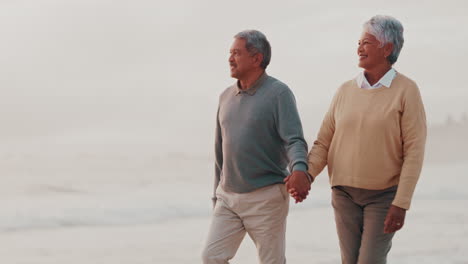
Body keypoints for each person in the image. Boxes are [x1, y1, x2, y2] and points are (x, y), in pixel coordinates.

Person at [286, 15, 427, 263]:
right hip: (344, 195)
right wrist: (306, 175)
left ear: (388, 48)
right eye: (359, 42)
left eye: (367, 42)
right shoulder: (344, 91)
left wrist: (401, 202)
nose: (359, 48)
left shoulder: (407, 90)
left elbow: (414, 152)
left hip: (383, 197)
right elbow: (324, 142)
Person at [201, 29, 311, 264]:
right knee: (211, 257)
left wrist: (300, 169)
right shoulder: (225, 97)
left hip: (266, 199)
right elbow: (220, 152)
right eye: (230, 53)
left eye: (236, 53)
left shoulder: (278, 93)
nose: (230, 58)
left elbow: (294, 140)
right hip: (228, 199)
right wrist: (215, 197)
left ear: (256, 58)